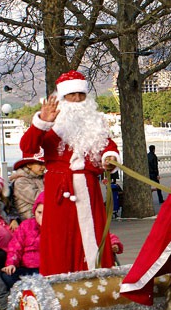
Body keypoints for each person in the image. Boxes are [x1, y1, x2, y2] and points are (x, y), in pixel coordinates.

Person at [19, 70, 120, 276]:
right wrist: (41, 122)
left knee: (93, 232)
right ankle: (61, 282)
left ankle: (96, 277)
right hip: (60, 189)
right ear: (63, 97)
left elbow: (108, 146)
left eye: (81, 95)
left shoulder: (96, 122)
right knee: (61, 237)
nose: (77, 100)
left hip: (89, 187)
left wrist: (110, 159)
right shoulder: (50, 123)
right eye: (71, 95)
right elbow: (28, 147)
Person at [2, 191, 44, 285]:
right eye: (39, 212)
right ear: (34, 211)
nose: (42, 216)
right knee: (7, 276)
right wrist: (11, 263)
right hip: (26, 269)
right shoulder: (26, 225)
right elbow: (15, 247)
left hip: (45, 270)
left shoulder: (56, 229)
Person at [10, 151, 45, 221]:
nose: (43, 167)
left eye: (44, 164)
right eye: (40, 164)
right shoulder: (21, 182)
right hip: (30, 218)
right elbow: (39, 198)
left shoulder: (39, 177)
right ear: (29, 165)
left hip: (41, 215)